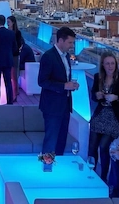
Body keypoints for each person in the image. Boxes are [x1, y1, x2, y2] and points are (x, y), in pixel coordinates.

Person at [88, 52, 119, 182]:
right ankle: (90, 173)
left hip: (116, 116)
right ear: (103, 64)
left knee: (103, 146)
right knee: (92, 145)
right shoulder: (98, 77)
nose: (110, 66)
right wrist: (97, 95)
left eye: (112, 63)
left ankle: (103, 178)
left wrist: (117, 97)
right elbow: (93, 95)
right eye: (107, 63)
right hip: (101, 113)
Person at [38, 27, 79, 162]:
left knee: (61, 141)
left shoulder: (66, 56)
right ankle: (46, 172)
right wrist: (64, 86)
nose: (72, 46)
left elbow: (63, 78)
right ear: (60, 40)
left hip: (65, 105)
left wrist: (70, 86)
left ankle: (58, 171)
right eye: (70, 43)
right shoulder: (48, 57)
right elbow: (42, 81)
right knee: (51, 141)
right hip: (52, 107)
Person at [7, 15, 24, 103]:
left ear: (13, 23)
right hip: (9, 55)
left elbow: (19, 44)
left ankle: (15, 93)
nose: (7, 24)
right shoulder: (7, 32)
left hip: (14, 55)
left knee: (13, 75)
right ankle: (13, 92)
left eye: (9, 22)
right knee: (10, 75)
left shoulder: (17, 33)